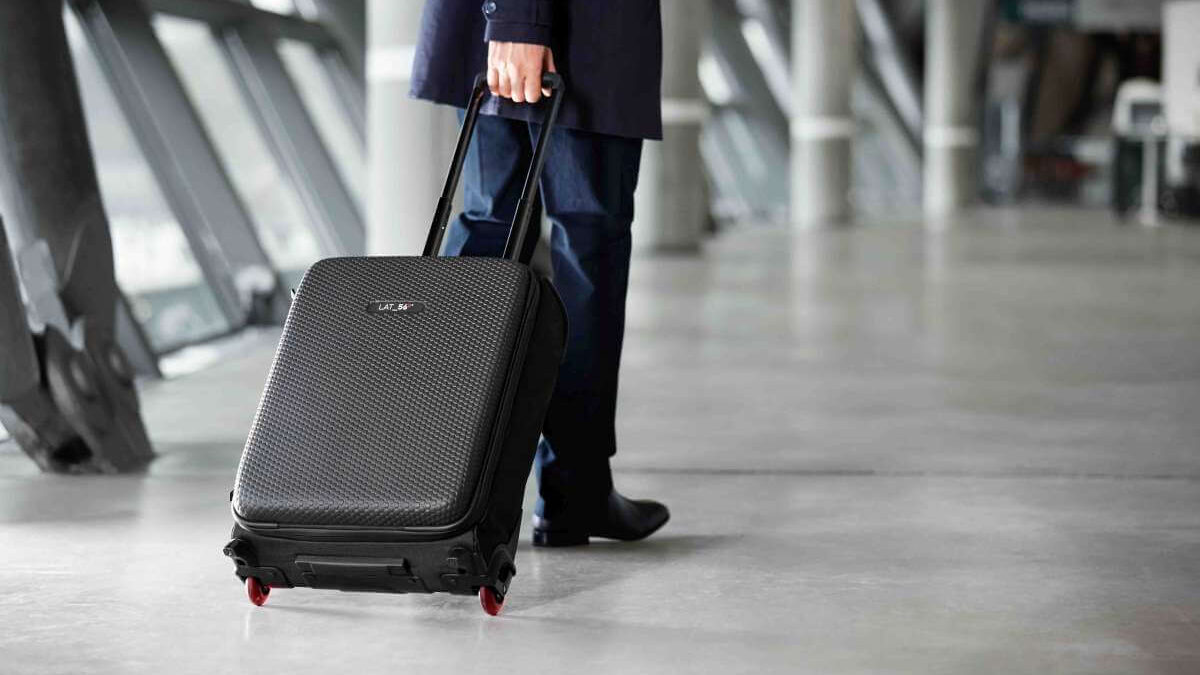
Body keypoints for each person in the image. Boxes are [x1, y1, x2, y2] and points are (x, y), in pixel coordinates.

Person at [410, 0, 669, 546]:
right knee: (578, 243)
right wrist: (517, 21)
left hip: (528, 26)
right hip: (566, 30)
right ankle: (568, 491)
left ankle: (439, 487)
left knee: (494, 228)